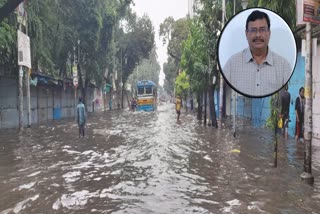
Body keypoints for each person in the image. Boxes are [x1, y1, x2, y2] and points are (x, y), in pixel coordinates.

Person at [223, 10, 292, 97]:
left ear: (269, 33)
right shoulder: (231, 65)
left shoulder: (284, 66)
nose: (258, 35)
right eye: (253, 30)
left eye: (262, 30)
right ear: (246, 34)